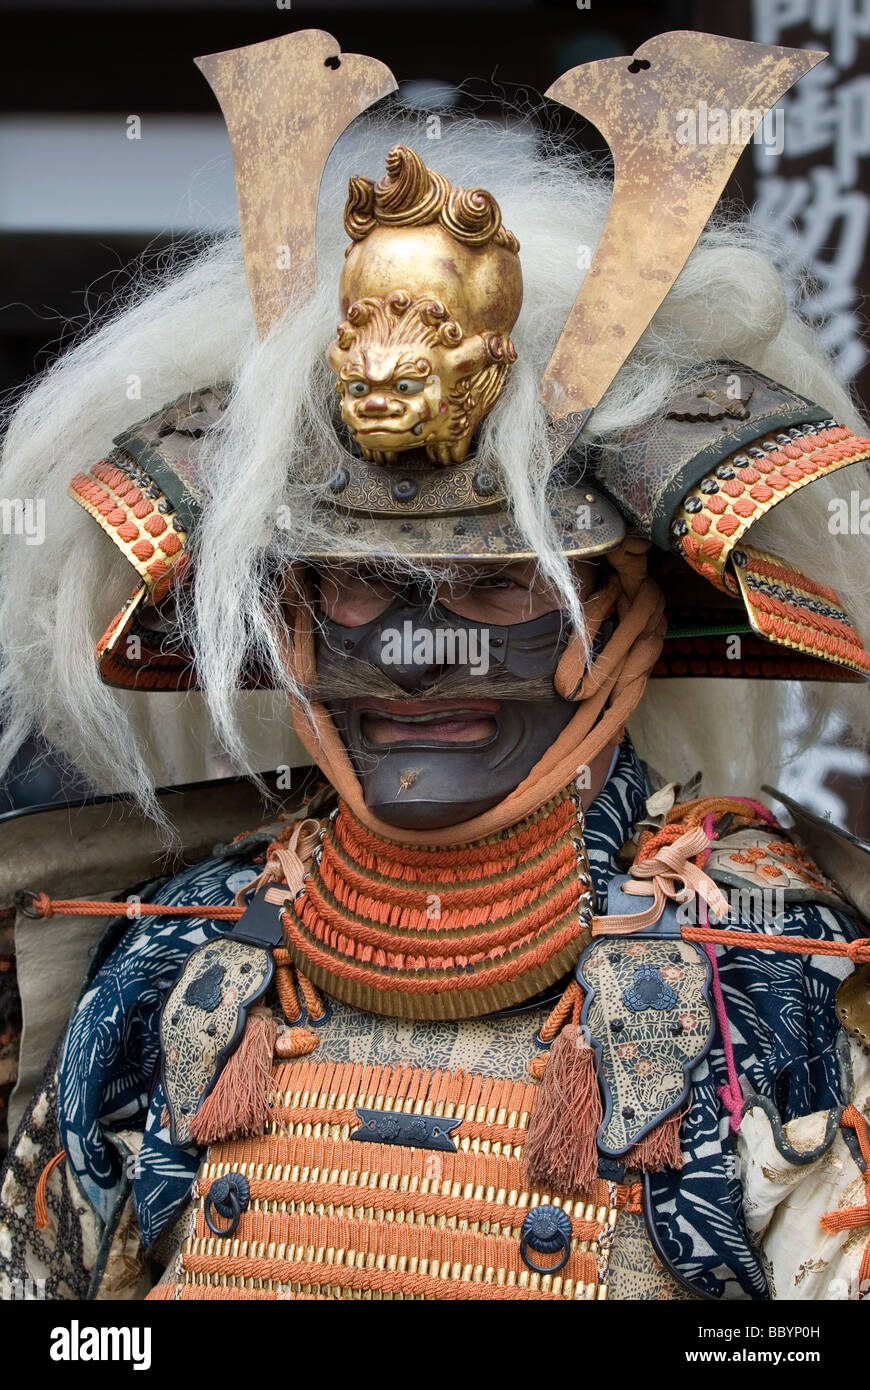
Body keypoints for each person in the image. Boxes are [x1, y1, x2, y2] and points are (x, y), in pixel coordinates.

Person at [0, 27, 869, 1303]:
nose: (416, 655)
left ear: (628, 613)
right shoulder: (174, 971)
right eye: (361, 583)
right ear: (286, 618)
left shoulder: (765, 980)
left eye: (500, 583)